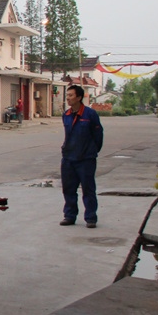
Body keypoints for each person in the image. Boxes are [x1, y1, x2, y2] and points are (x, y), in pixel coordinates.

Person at [60, 85, 103, 228]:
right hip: (68, 158)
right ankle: (69, 216)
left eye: (71, 95)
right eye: (67, 95)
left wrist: (91, 151)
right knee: (68, 189)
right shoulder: (66, 115)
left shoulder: (90, 114)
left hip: (85, 159)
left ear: (79, 97)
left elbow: (98, 136)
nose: (68, 98)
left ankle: (91, 217)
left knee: (88, 189)